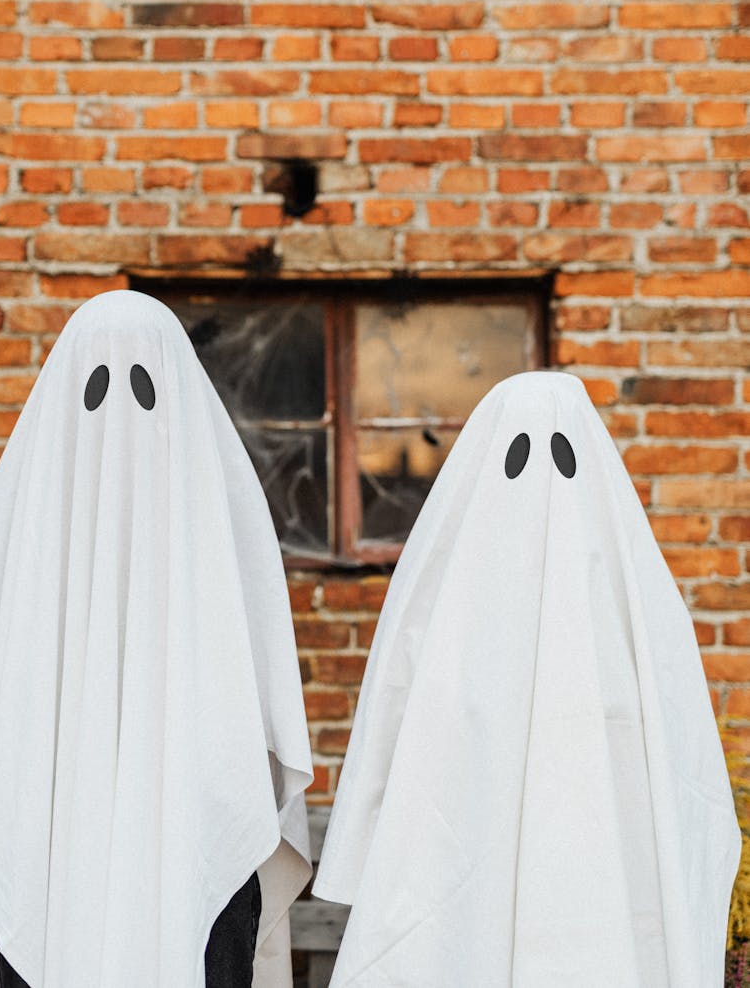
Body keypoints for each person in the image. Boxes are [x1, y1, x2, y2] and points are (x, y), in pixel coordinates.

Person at [0, 289, 313, 988]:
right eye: (98, 388)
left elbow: (252, 704)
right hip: (45, 831)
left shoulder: (225, 519)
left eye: (142, 388)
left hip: (196, 835)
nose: (120, 422)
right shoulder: (15, 526)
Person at [314, 370, 740, 987]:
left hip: (607, 908)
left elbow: (687, 771)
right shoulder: (441, 607)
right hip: (455, 906)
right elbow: (392, 724)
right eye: (518, 456)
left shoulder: (636, 612)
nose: (541, 485)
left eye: (561, 456)